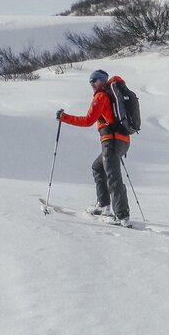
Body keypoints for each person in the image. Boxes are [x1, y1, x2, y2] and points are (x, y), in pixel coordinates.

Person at [57, 69, 132, 226]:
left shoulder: (101, 96)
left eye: (94, 80)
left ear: (102, 80)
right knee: (98, 167)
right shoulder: (113, 95)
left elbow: (87, 121)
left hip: (111, 141)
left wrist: (64, 118)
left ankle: (122, 216)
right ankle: (103, 205)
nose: (91, 83)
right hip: (122, 141)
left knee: (113, 177)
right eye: (90, 81)